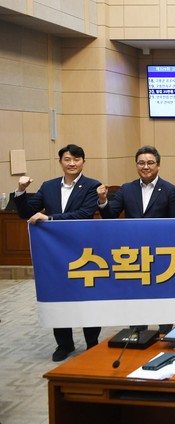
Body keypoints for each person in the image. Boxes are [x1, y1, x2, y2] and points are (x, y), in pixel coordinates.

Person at [13, 144, 101, 361]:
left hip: (84, 251)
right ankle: (64, 344)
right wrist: (21, 191)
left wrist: (50, 218)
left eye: (76, 159)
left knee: (87, 297)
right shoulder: (49, 186)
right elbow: (25, 212)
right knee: (59, 296)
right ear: (60, 162)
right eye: (67, 159)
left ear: (83, 162)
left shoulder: (92, 186)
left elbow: (84, 214)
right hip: (55, 252)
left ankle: (92, 343)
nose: (72, 163)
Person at [97, 145, 175, 334]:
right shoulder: (127, 189)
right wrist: (102, 201)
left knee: (162, 294)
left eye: (150, 163)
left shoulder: (169, 190)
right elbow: (111, 216)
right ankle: (137, 332)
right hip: (133, 253)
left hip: (161, 253)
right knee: (135, 294)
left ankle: (164, 333)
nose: (145, 167)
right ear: (136, 165)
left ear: (158, 165)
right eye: (141, 163)